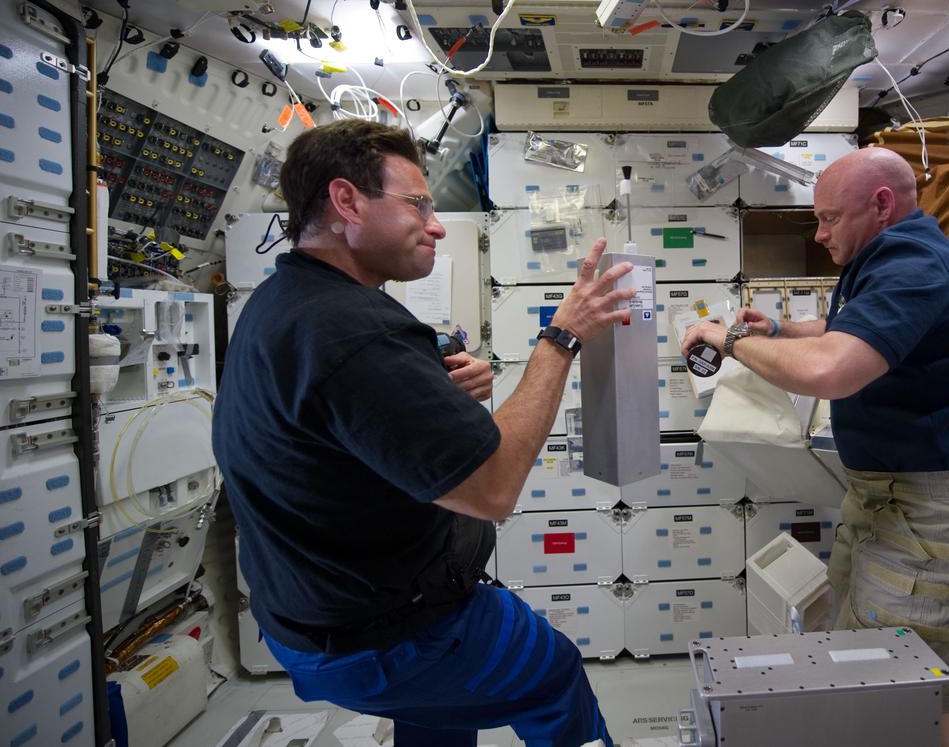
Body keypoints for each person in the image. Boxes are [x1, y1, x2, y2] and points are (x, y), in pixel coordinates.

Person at [213, 119, 634, 747]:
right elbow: (492, 491)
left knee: (440, 710)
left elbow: (335, 431)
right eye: (417, 203)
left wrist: (431, 398)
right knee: (553, 676)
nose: (436, 225)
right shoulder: (356, 331)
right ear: (347, 201)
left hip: (306, 615)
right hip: (387, 633)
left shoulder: (281, 303)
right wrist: (561, 338)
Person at [681, 147, 949, 747]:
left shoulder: (913, 263)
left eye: (830, 218)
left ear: (882, 204)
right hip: (886, 509)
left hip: (932, 521)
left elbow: (833, 370)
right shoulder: (887, 259)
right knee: (877, 690)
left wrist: (728, 341)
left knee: (902, 714)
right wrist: (781, 331)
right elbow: (849, 329)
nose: (820, 234)